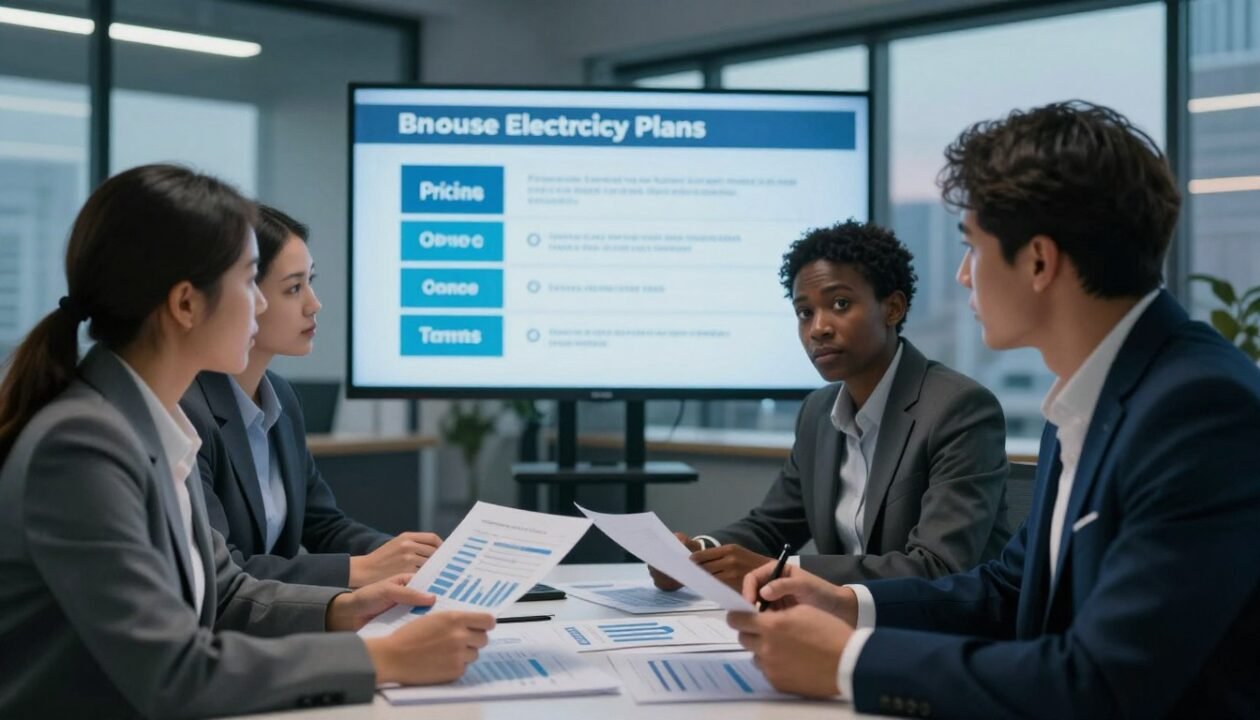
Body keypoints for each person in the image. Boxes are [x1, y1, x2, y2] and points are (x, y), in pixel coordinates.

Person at [730, 101, 1260, 718]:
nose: (960, 276)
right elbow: (1008, 591)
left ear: (1038, 261)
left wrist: (849, 662)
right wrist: (849, 605)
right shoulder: (1097, 396)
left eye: (972, 248)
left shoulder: (1197, 409)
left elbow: (1103, 683)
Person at [0, 165, 494, 718]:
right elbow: (173, 672)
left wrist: (347, 609)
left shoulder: (150, 425)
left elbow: (227, 594)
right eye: (249, 280)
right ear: (186, 305)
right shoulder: (82, 448)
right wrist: (384, 659)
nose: (260, 305)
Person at [651, 220, 1011, 590]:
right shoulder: (818, 412)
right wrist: (698, 554)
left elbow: (937, 567)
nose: (818, 328)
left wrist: (781, 571)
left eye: (840, 304)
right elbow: (771, 525)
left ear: (893, 308)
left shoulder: (958, 408)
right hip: (839, 625)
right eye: (805, 312)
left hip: (936, 633)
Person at [181, 204, 439, 588]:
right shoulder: (186, 410)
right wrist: (362, 571)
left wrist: (408, 559)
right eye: (294, 288)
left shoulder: (281, 399)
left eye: (310, 282)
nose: (313, 304)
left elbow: (323, 525)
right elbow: (223, 575)